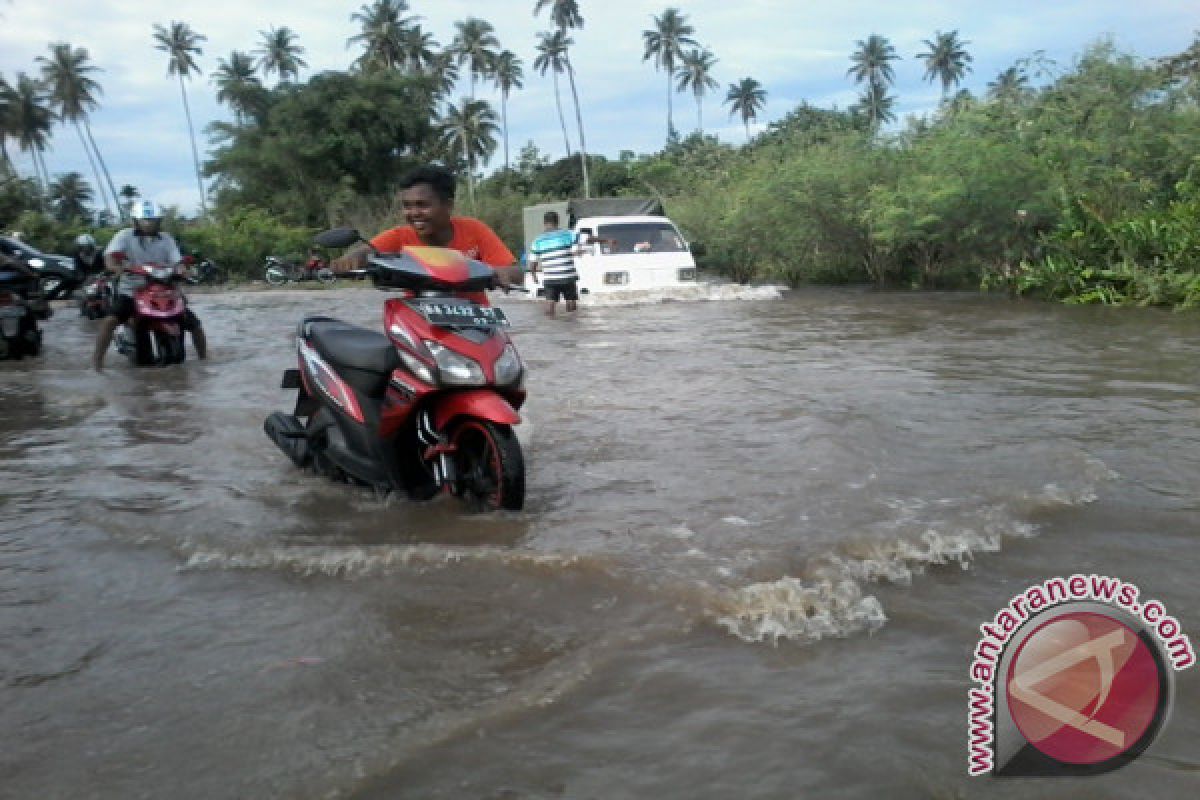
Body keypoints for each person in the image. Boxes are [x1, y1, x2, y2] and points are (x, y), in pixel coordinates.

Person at [332, 165, 519, 297]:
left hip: (474, 320)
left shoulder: (474, 229)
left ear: (448, 205)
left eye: (422, 205)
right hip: (418, 320)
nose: (414, 213)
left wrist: (502, 274)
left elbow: (515, 270)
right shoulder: (400, 236)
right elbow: (367, 251)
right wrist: (350, 261)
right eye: (407, 206)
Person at [92, 200, 207, 370]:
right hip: (133, 289)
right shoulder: (124, 236)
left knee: (194, 324)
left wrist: (183, 270)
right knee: (110, 321)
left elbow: (177, 261)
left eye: (153, 220)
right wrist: (116, 267)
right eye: (145, 220)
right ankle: (97, 364)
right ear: (136, 220)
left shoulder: (167, 239)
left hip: (166, 288)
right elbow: (110, 257)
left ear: (159, 221)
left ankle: (204, 361)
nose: (150, 223)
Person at [528, 210, 582, 317]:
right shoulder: (568, 234)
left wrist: (534, 275)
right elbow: (588, 239)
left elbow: (533, 262)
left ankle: (550, 329)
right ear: (557, 221)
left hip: (550, 278)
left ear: (544, 223)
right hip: (568, 277)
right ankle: (572, 327)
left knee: (550, 303)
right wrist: (604, 241)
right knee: (571, 303)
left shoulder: (537, 241)